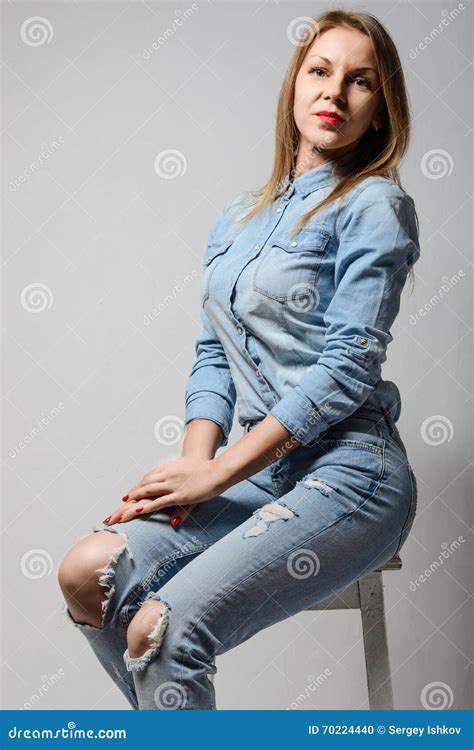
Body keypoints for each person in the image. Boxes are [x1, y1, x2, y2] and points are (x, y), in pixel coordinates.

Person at [58, 9, 420, 711]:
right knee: (86, 572)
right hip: (260, 474)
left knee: (161, 628)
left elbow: (348, 366)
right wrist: (194, 471)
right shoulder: (239, 217)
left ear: (380, 111)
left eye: (361, 82)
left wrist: (223, 469)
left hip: (352, 474)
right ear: (294, 86)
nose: (335, 93)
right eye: (320, 71)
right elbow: (213, 355)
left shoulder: (377, 205)